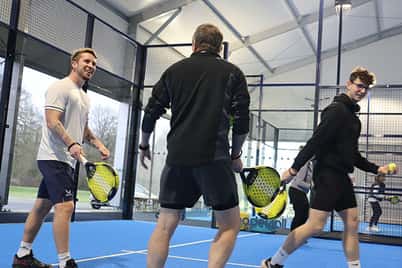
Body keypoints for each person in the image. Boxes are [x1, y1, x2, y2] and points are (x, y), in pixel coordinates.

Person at [261, 66, 397, 268]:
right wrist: (293, 170)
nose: (362, 91)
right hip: (327, 174)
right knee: (315, 225)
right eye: (359, 85)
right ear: (349, 84)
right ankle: (274, 263)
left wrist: (376, 169)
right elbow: (315, 142)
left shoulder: (353, 119)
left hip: (342, 176)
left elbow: (353, 155)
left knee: (352, 222)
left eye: (366, 88)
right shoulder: (336, 111)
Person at [139, 23, 250, 268]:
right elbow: (242, 121)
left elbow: (150, 113)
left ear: (194, 44)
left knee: (165, 224)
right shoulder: (233, 73)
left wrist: (144, 146)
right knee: (229, 225)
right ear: (220, 48)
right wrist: (235, 154)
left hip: (177, 158)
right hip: (214, 158)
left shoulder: (173, 71)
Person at [12, 48, 110, 268]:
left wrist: (98, 143)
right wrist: (71, 143)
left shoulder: (84, 97)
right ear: (74, 63)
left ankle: (22, 256)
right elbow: (52, 121)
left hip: (67, 160)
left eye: (94, 63)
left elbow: (82, 128)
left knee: (41, 207)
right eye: (87, 61)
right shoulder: (60, 87)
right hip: (53, 156)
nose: (91, 66)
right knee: (66, 207)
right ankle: (66, 262)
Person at [288, 146, 313, 232]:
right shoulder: (304, 165)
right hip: (296, 191)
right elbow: (299, 182)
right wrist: (310, 186)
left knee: (304, 214)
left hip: (300, 192)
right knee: (300, 215)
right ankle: (293, 235)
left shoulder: (309, 164)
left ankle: (297, 234)